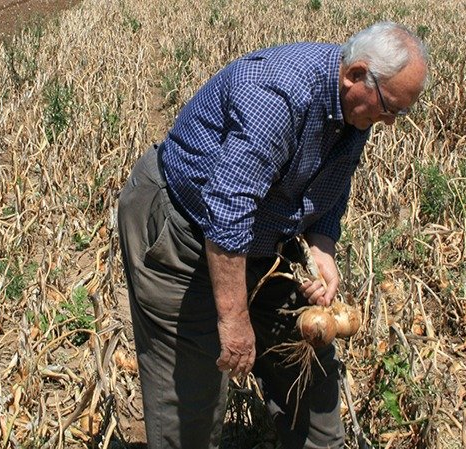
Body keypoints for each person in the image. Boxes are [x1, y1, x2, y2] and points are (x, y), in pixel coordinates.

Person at [117, 21, 428, 449]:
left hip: (264, 240)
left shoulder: (358, 109)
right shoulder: (279, 92)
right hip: (184, 231)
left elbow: (333, 184)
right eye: (390, 108)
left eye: (400, 112)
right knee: (190, 405)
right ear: (356, 75)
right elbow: (228, 208)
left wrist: (322, 246)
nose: (390, 122)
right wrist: (234, 316)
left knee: (310, 379)